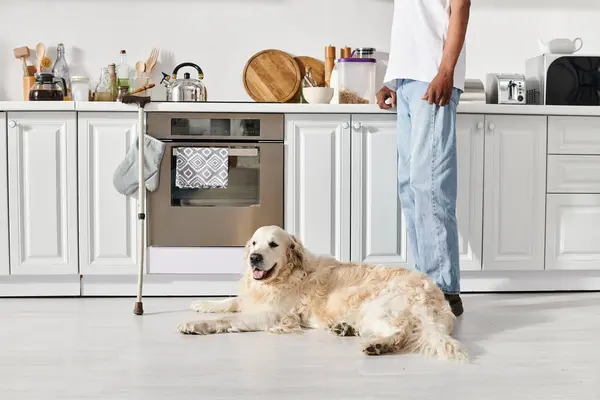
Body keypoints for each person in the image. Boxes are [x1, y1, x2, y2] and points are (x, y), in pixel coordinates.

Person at [377, 0, 471, 317]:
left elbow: (460, 7)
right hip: (407, 81)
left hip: (434, 76)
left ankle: (444, 290)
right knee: (409, 185)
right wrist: (393, 80)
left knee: (430, 184)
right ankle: (425, 284)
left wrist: (446, 70)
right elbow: (412, 23)